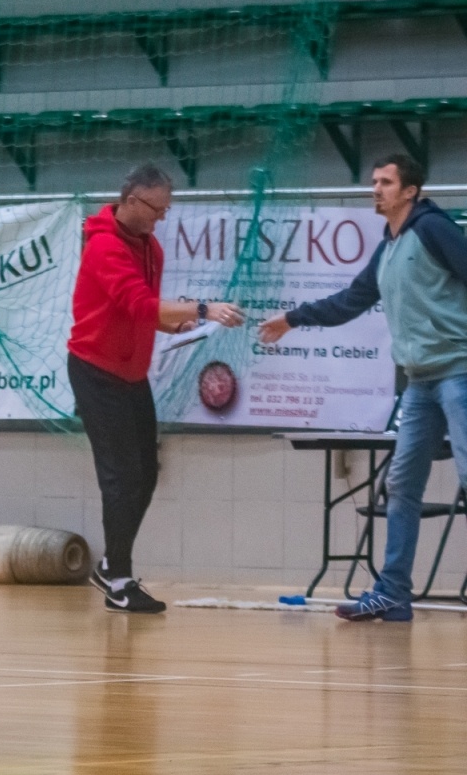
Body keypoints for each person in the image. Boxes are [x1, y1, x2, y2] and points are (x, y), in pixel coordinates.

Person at [260, 154, 467, 622]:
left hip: (459, 372)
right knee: (400, 486)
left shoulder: (434, 230)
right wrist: (294, 318)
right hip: (419, 383)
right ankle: (393, 593)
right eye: (374, 181)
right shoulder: (389, 244)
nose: (375, 189)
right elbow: (353, 300)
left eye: (386, 182)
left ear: (410, 191)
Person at [68, 163, 243, 614]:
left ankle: (112, 566)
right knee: (120, 475)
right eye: (155, 207)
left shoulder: (152, 249)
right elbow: (137, 303)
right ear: (129, 200)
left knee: (146, 472)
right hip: (96, 371)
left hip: (131, 374)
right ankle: (119, 577)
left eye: (167, 208)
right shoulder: (104, 246)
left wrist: (172, 324)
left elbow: (140, 314)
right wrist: (204, 308)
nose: (161, 216)